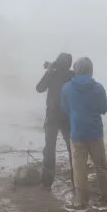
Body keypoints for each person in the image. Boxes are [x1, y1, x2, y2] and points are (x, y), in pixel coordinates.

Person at [60, 57, 107, 212]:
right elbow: (104, 109)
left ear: (76, 69)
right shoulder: (98, 88)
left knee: (79, 168)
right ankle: (105, 198)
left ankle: (81, 202)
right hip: (95, 131)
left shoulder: (66, 88)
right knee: (101, 166)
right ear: (91, 69)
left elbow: (65, 109)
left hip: (77, 132)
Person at [36, 53, 75, 192]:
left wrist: (49, 70)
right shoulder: (72, 76)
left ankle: (47, 182)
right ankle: (76, 180)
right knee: (72, 149)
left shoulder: (52, 74)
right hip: (68, 117)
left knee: (49, 148)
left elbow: (39, 88)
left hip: (52, 116)